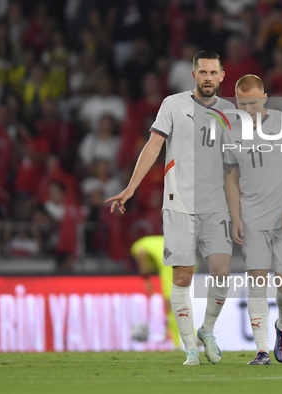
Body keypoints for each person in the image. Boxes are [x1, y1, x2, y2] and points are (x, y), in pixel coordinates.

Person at [106, 51, 235, 366]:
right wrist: (132, 187)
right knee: (182, 277)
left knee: (222, 274)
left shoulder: (230, 111)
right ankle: (190, 346)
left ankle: (207, 330)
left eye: (212, 73)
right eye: (202, 72)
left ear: (222, 76)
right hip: (179, 203)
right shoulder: (173, 105)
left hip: (216, 205)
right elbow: (153, 146)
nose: (207, 78)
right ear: (193, 75)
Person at [223, 75, 282, 365]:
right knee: (257, 281)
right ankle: (261, 351)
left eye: (253, 103)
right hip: (252, 217)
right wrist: (235, 216)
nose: (248, 109)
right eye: (242, 103)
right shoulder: (230, 132)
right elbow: (231, 178)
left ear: (265, 98)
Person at [130, 235, 180, 349]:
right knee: (179, 301)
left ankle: (178, 341)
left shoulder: (137, 246)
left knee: (171, 303)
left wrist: (146, 278)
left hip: (170, 263)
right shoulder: (157, 243)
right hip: (188, 260)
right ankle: (185, 336)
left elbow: (141, 254)